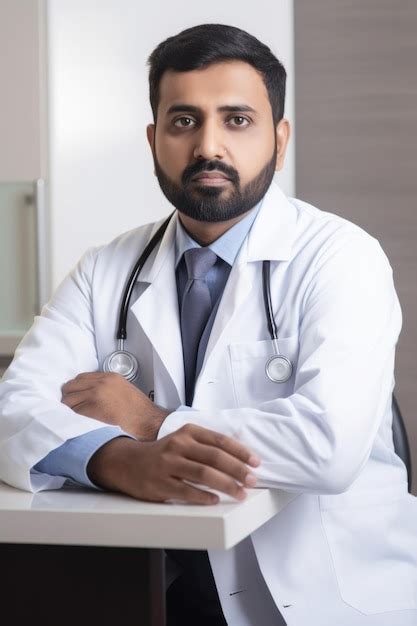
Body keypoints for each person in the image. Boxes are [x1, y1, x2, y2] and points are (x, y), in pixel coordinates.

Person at [1, 22, 416, 626]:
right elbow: (16, 404)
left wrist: (149, 419)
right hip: (160, 589)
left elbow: (329, 445)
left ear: (280, 139)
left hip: (329, 597)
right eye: (184, 121)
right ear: (153, 138)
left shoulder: (342, 256)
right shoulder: (106, 268)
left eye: (237, 120)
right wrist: (117, 458)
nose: (208, 147)